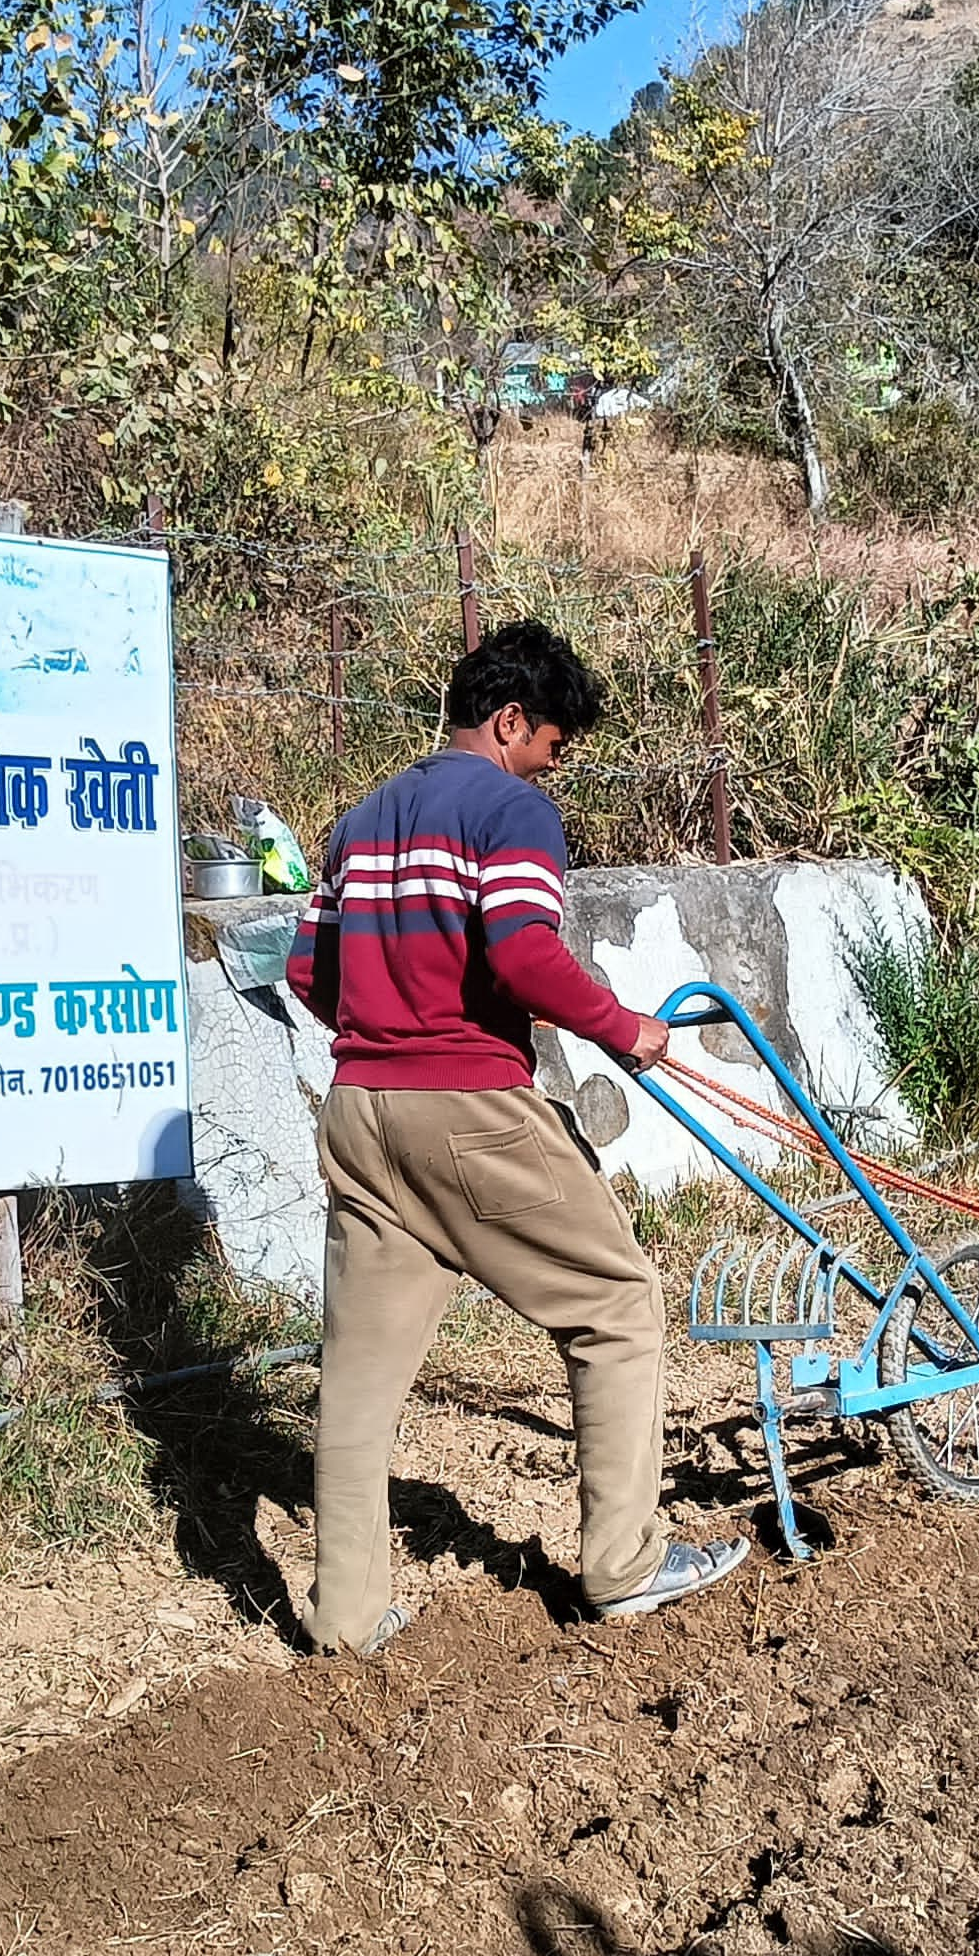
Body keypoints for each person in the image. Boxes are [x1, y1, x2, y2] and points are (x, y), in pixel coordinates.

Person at [285, 618, 749, 1654]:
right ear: (508, 721)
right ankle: (624, 1563)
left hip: (359, 1112)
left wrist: (388, 1029)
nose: (553, 766)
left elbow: (308, 973)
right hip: (468, 1107)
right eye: (551, 744)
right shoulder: (510, 811)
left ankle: (347, 1618)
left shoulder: (359, 823)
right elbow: (524, 952)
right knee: (618, 1302)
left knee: (357, 1375)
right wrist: (627, 1029)